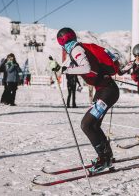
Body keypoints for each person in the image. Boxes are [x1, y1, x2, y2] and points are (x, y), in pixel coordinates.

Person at [53, 27, 120, 173]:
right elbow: (75, 66)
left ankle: (104, 158)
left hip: (107, 92)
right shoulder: (76, 49)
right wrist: (60, 68)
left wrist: (64, 70)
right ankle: (106, 156)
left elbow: (86, 68)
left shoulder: (76, 50)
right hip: (104, 91)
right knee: (93, 125)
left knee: (87, 125)